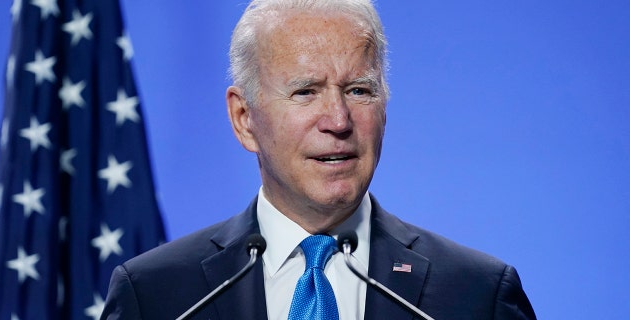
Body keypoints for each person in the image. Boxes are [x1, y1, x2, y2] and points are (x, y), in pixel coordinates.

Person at [101, 0, 536, 319]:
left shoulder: (477, 296)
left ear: (384, 107)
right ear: (244, 118)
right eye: (305, 91)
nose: (339, 119)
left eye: (359, 90)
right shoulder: (156, 297)